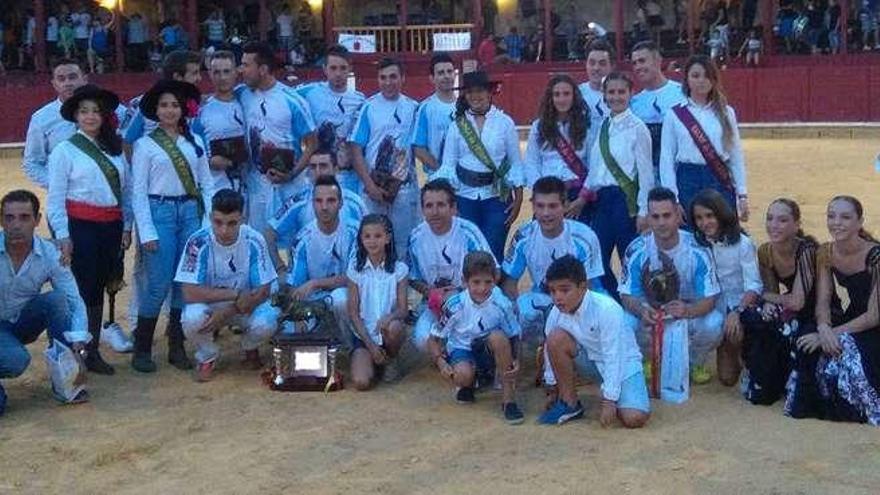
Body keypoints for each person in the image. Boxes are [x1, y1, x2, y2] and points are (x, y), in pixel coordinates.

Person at [46, 84, 132, 375]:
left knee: (101, 285)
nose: (90, 116)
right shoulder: (64, 150)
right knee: (82, 289)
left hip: (112, 225)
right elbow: (55, 198)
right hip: (80, 226)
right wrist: (62, 235)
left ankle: (92, 350)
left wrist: (126, 227)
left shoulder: (115, 149)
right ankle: (75, 352)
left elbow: (126, 192)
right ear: (76, 116)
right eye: (84, 111)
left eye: (96, 111)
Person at [130, 80, 215, 373]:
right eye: (164, 105)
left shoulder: (195, 143)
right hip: (159, 213)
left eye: (175, 105)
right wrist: (148, 231)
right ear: (156, 110)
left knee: (184, 283)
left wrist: (206, 223)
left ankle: (176, 347)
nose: (169, 110)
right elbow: (138, 191)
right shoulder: (144, 145)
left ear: (183, 110)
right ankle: (142, 348)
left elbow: (207, 184)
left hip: (191, 213)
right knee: (158, 283)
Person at [785, 196, 880, 425]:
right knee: (808, 343)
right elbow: (823, 301)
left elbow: (874, 315)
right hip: (854, 318)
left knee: (846, 353)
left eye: (845, 217)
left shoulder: (876, 256)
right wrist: (824, 327)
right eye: (831, 216)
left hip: (873, 323)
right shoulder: (825, 252)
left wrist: (829, 335)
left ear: (860, 222)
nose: (836, 222)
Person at [619, 187, 723, 394]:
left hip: (687, 312)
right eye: (655, 216)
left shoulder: (698, 249)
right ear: (648, 218)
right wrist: (641, 310)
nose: (661, 222)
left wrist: (688, 311)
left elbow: (710, 298)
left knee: (714, 322)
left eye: (667, 215)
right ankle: (648, 359)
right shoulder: (636, 249)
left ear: (678, 214)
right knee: (624, 322)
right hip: (651, 313)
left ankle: (694, 363)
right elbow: (626, 294)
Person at [0, 190, 92, 415]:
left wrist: (78, 339)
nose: (16, 225)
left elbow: (73, 299)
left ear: (37, 220)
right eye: (9, 218)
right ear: (1, 221)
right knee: (16, 361)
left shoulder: (51, 253)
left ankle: (66, 383)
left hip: (20, 322)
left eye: (24, 217)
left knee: (57, 300)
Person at [176, 189, 279, 382]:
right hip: (223, 302)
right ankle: (207, 355)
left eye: (232, 223)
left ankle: (250, 346)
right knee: (191, 318)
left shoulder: (255, 240)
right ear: (210, 218)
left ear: (243, 218)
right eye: (218, 222)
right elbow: (188, 292)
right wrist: (235, 294)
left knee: (267, 322)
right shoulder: (197, 242)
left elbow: (263, 291)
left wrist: (226, 312)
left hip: (246, 305)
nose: (224, 230)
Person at [538, 255, 650, 427]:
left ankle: (622, 394)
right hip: (589, 361)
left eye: (564, 290)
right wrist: (552, 387)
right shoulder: (555, 312)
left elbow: (614, 356)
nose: (557, 297)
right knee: (555, 338)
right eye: (553, 291)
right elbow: (549, 348)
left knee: (635, 418)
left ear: (583, 287)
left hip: (623, 363)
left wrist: (610, 400)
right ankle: (569, 403)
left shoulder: (607, 309)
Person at [436, 70, 525, 262]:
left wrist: (518, 201)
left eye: (480, 91)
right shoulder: (456, 125)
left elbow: (516, 163)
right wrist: (451, 203)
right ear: (465, 95)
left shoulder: (505, 123)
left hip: (497, 197)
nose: (475, 96)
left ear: (489, 92)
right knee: (467, 253)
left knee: (494, 251)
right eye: (470, 92)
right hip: (464, 196)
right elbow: (448, 166)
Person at [428, 251, 524, 424]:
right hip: (462, 349)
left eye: (488, 282)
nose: (482, 288)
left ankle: (509, 400)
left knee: (499, 337)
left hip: (490, 347)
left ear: (495, 280)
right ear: (465, 282)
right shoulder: (455, 305)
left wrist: (516, 359)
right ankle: (470, 382)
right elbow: (434, 338)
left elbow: (514, 333)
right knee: (462, 375)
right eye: (476, 282)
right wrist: (441, 363)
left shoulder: (501, 303)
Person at [501, 176, 604, 336]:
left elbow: (588, 287)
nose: (546, 213)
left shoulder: (585, 237)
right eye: (540, 206)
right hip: (543, 298)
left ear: (565, 205)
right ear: (533, 206)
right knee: (525, 309)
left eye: (552, 206)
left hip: (585, 300)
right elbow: (509, 284)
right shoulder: (523, 236)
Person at [585, 72, 654, 301]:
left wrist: (644, 211)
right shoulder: (604, 126)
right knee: (598, 260)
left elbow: (646, 174)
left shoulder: (638, 128)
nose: (616, 97)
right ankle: (615, 302)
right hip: (602, 202)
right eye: (611, 92)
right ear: (604, 96)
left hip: (626, 202)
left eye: (621, 92)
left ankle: (635, 304)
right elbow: (596, 169)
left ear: (630, 93)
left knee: (630, 257)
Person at [740, 198, 816, 405]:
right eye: (770, 218)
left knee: (781, 327)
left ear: (797, 224)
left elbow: (799, 302)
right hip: (790, 309)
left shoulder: (807, 250)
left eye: (782, 220)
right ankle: (765, 379)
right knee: (753, 316)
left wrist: (765, 297)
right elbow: (773, 293)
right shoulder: (765, 251)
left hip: (813, 313)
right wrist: (768, 305)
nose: (773, 225)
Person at [238, 41, 317, 234]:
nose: (241, 70)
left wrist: (292, 173)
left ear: (263, 69)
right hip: (257, 183)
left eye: (246, 65)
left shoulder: (292, 100)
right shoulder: (242, 94)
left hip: (289, 185)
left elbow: (313, 143)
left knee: (289, 241)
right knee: (259, 239)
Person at [659, 55, 749, 222]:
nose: (701, 80)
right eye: (695, 75)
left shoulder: (726, 112)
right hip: (687, 179)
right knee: (691, 235)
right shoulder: (674, 115)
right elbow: (666, 159)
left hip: (719, 179)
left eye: (707, 76)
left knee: (723, 234)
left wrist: (742, 194)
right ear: (686, 79)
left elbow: (735, 155)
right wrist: (673, 198)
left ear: (714, 80)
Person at [408, 179, 494, 352]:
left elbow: (493, 272)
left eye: (441, 204)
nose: (435, 212)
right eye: (429, 206)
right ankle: (452, 352)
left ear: (453, 208)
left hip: (472, 300)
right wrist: (430, 292)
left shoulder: (468, 232)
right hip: (435, 305)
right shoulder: (416, 237)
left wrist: (461, 294)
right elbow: (413, 277)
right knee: (422, 341)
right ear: (422, 209)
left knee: (481, 335)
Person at [349, 57, 421, 260]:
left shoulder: (413, 107)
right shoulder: (368, 107)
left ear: (402, 78)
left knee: (404, 243)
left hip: (404, 188)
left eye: (393, 77)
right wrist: (369, 185)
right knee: (372, 243)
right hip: (374, 187)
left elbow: (420, 147)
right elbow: (356, 148)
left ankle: (401, 289)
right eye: (383, 77)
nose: (388, 82)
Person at [689, 189, 761, 387]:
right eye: (699, 218)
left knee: (729, 374)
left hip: (739, 306)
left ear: (721, 213)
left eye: (710, 216)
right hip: (712, 308)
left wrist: (737, 311)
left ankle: (743, 354)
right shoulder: (695, 244)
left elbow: (754, 285)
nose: (705, 223)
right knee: (727, 379)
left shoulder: (743, 244)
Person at [278, 175, 359, 346]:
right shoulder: (303, 238)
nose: (324, 207)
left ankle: (351, 346)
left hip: (350, 295)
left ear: (341, 203)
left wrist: (315, 283)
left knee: (340, 299)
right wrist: (296, 312)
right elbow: (296, 285)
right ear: (312, 203)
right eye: (319, 201)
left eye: (331, 201)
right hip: (316, 300)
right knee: (289, 329)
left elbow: (355, 278)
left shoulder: (355, 232)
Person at [346, 214, 409, 389]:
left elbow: (403, 309)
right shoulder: (355, 270)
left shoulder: (399, 269)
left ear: (387, 238)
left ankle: (391, 359)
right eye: (367, 236)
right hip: (365, 336)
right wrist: (371, 345)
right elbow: (353, 313)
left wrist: (390, 317)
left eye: (378, 236)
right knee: (361, 382)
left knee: (394, 327)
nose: (372, 241)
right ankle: (371, 359)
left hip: (387, 331)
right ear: (361, 239)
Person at [295, 44, 366, 193]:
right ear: (324, 69)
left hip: (349, 175)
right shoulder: (308, 93)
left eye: (343, 68)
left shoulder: (360, 100)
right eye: (333, 68)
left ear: (350, 69)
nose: (338, 73)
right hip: (318, 173)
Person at [524, 74, 592, 224]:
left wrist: (582, 199)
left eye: (566, 94)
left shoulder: (587, 126)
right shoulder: (538, 126)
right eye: (557, 94)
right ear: (550, 98)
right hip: (547, 193)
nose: (562, 99)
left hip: (577, 195)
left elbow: (594, 165)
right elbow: (531, 163)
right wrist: (540, 193)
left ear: (575, 96)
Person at [22, 59, 89, 189]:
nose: (68, 83)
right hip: (64, 196)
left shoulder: (111, 110)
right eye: (61, 79)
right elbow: (32, 162)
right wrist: (56, 185)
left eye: (73, 77)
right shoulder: (41, 118)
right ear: (54, 84)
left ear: (85, 79)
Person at [122, 50, 203, 151]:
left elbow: (200, 142)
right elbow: (128, 142)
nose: (199, 78)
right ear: (178, 77)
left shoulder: (194, 104)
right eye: (194, 73)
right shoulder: (148, 103)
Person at [629, 41, 687, 180]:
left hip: (679, 172)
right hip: (647, 176)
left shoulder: (682, 94)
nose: (638, 67)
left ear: (658, 61)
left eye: (642, 61)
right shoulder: (634, 103)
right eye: (634, 63)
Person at [193, 50, 248, 194]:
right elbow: (193, 149)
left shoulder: (249, 102)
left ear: (236, 72)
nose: (222, 77)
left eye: (227, 71)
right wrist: (210, 161)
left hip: (251, 189)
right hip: (216, 190)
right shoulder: (201, 111)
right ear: (210, 74)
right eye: (217, 72)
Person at [411, 52, 457, 181]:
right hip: (438, 179)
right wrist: (442, 171)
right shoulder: (425, 108)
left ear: (455, 74)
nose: (446, 76)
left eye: (449, 71)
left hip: (466, 182)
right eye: (441, 73)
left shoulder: (466, 106)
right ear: (432, 78)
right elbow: (418, 148)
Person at [578, 39, 614, 154]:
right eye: (592, 63)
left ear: (612, 66)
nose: (596, 68)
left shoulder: (621, 96)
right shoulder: (576, 95)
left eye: (602, 63)